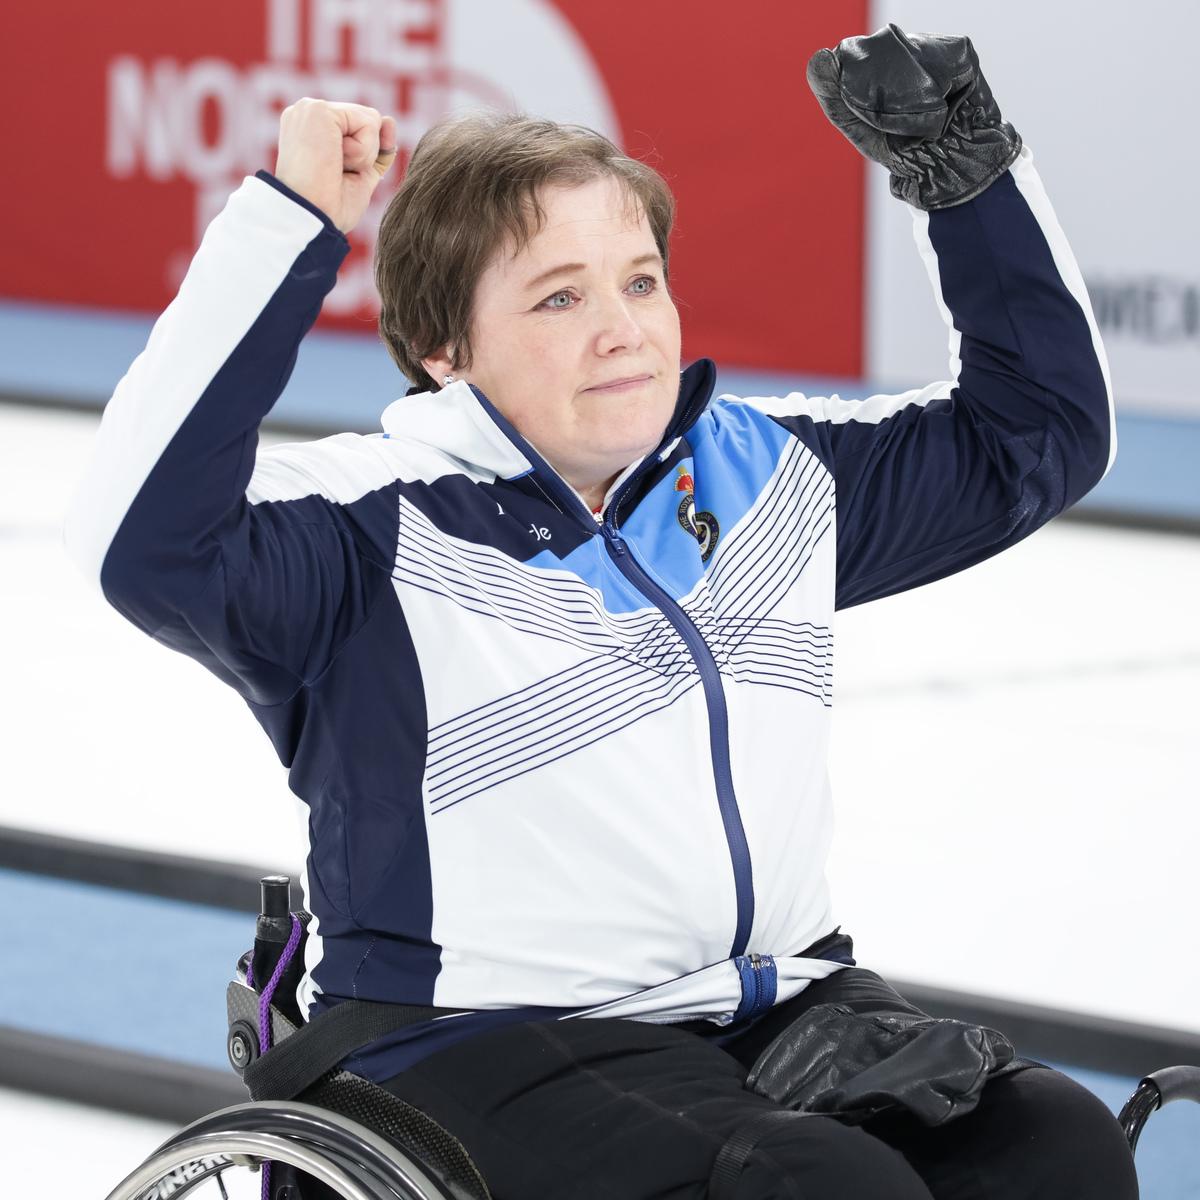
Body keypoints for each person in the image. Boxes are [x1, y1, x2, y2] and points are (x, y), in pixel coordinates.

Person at [65, 23, 1137, 1200]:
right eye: (559, 297)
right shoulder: (366, 531)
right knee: (814, 1188)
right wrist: (287, 222)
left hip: (773, 1007)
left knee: (1052, 1147)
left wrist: (963, 173)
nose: (625, 326)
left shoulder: (764, 476)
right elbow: (141, 541)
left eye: (640, 280)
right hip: (472, 1040)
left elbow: (1037, 434)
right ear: (442, 348)